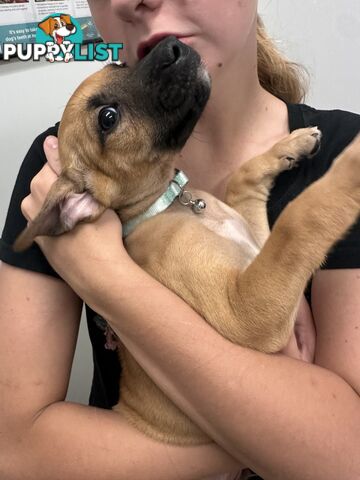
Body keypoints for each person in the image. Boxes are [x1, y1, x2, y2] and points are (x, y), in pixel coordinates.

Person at [0, 1, 359, 479]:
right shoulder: (57, 173)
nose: (129, 0)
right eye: (109, 117)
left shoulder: (337, 143)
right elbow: (14, 451)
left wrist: (103, 275)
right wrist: (283, 437)